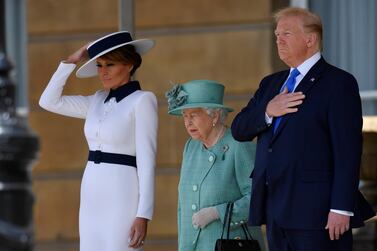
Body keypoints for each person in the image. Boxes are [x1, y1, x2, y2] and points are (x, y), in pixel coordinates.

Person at [231, 7, 376, 251]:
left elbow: (348, 152)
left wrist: (341, 208)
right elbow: (239, 129)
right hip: (275, 209)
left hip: (318, 214)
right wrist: (269, 110)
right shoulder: (271, 84)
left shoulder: (338, 83)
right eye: (277, 34)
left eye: (286, 33)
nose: (278, 39)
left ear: (310, 39)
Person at [39, 31, 158, 251]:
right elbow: (48, 101)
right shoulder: (96, 100)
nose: (102, 72)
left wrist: (143, 214)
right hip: (91, 189)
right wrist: (71, 62)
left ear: (130, 64)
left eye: (109, 65)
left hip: (122, 190)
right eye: (99, 65)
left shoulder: (143, 101)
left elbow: (147, 160)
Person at [166, 80, 265, 251]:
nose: (187, 123)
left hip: (231, 246)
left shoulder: (239, 144)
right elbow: (183, 207)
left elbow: (258, 197)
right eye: (185, 115)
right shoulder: (191, 147)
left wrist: (217, 213)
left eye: (194, 115)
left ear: (214, 116)